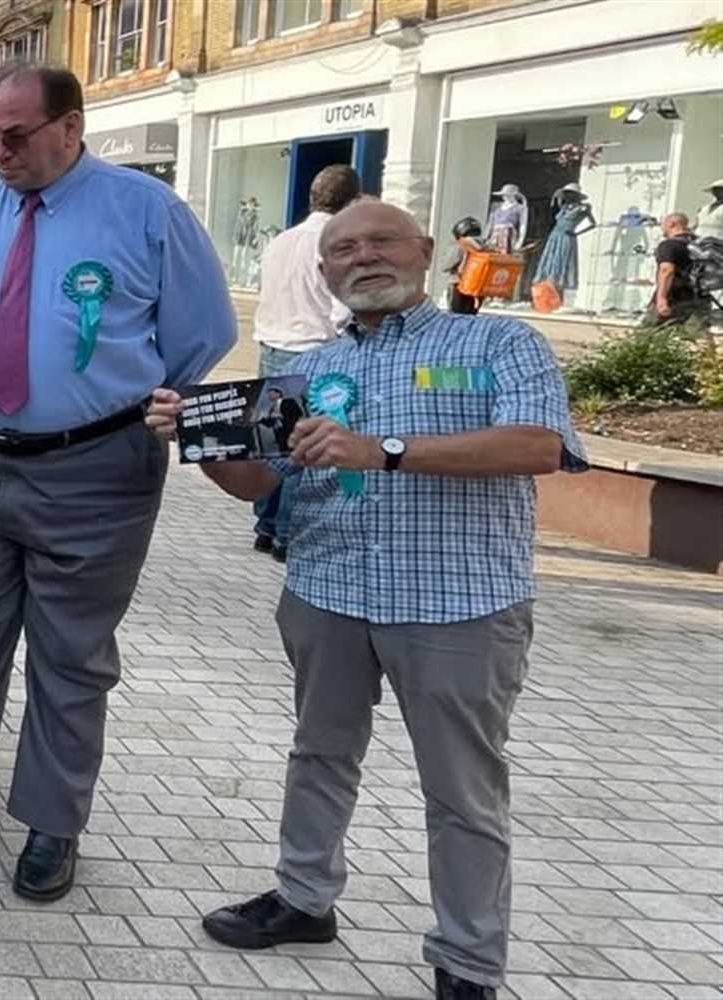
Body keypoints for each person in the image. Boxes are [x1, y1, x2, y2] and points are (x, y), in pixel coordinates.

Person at [147, 200, 585, 1000]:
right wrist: (196, 440)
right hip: (327, 591)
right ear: (324, 273)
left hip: (459, 605)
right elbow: (255, 484)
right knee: (319, 755)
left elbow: (538, 446)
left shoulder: (498, 342)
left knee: (462, 790)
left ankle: (468, 961)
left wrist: (381, 449)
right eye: (342, 249)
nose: (362, 258)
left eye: (381, 241)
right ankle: (304, 898)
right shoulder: (308, 371)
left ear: (424, 251)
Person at [0, 63, 234, 903]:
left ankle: (53, 822)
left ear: (71, 126)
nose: (0, 151)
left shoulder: (147, 211)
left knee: (70, 654)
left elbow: (201, 337)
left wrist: (94, 394)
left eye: (17, 135)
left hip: (95, 466)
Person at [249, 165, 360, 561]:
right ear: (352, 202)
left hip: (272, 344)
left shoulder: (280, 240)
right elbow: (342, 308)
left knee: (270, 440)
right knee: (303, 447)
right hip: (313, 348)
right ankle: (286, 532)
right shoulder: (335, 241)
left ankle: (264, 524)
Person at [650, 212, 710, 330]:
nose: (662, 228)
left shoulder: (669, 245)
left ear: (671, 224)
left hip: (674, 298)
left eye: (663, 224)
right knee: (691, 338)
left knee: (646, 336)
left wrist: (661, 298)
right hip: (699, 299)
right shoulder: (700, 244)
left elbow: (666, 270)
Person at [443, 216, 487, 316]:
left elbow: (446, 266)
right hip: (477, 287)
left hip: (458, 284)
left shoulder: (461, 245)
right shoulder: (485, 246)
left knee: (455, 316)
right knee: (471, 316)